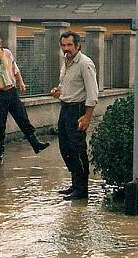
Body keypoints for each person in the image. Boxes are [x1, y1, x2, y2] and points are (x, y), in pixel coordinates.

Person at [0, 34, 50, 161]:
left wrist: (20, 82)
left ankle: (35, 143)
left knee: (22, 118)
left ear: (0, 44)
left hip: (12, 91)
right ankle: (0, 151)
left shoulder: (8, 54)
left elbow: (15, 69)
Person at [50, 31, 99, 200]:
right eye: (63, 45)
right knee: (66, 149)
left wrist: (87, 117)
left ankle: (82, 189)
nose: (66, 49)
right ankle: (75, 184)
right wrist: (58, 91)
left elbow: (93, 94)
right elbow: (65, 85)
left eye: (69, 45)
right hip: (65, 108)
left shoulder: (85, 63)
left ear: (78, 46)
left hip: (78, 110)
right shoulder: (66, 62)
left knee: (78, 150)